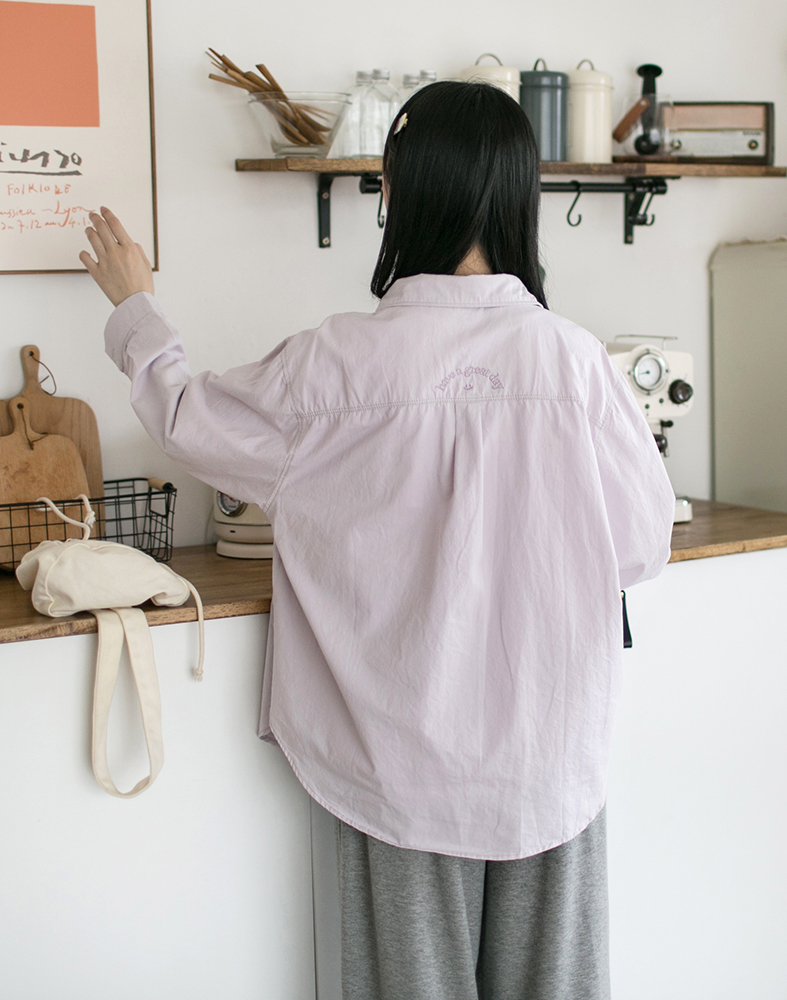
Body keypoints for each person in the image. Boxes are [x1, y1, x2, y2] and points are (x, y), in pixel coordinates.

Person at [81, 81, 674, 1000]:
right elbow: (638, 546)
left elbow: (190, 418)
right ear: (523, 199)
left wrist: (138, 307)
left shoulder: (334, 364)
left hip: (393, 768)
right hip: (549, 764)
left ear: (398, 195)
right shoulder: (576, 363)